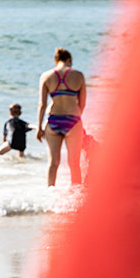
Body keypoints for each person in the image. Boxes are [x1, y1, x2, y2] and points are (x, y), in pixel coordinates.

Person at [36, 47, 86, 187]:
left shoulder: (46, 76)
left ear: (56, 61)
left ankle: (49, 193)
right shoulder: (79, 76)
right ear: (69, 60)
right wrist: (76, 120)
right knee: (74, 163)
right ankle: (76, 195)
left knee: (53, 163)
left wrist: (39, 127)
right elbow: (82, 104)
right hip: (73, 121)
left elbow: (42, 105)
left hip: (53, 120)